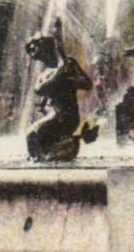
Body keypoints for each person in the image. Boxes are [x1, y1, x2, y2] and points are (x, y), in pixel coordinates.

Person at [25, 30, 98, 162]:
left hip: (65, 117)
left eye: (35, 49)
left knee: (32, 134)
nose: (33, 54)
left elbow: (86, 84)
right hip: (53, 116)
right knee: (37, 140)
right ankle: (48, 155)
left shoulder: (69, 64)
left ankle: (39, 163)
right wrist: (61, 72)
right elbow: (40, 89)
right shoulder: (50, 71)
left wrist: (69, 77)